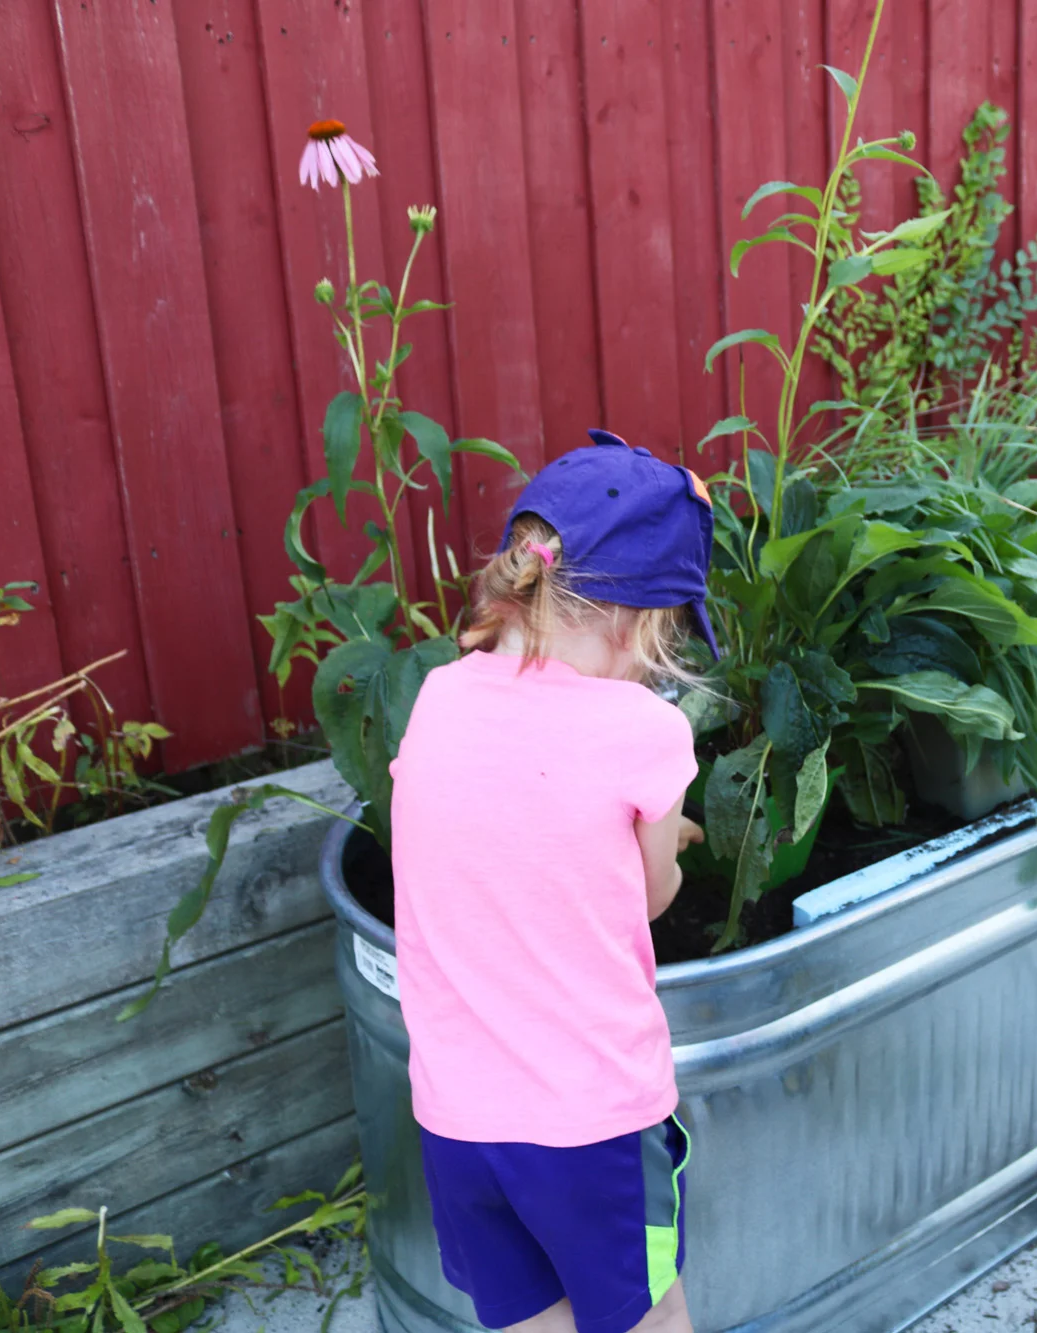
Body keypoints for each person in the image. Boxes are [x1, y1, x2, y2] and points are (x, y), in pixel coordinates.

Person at [389, 429, 717, 1333]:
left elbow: (498, 841)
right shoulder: (644, 730)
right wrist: (673, 840)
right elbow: (649, 896)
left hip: (458, 1119)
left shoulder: (439, 696)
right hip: (591, 1127)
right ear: (639, 624)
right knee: (649, 1317)